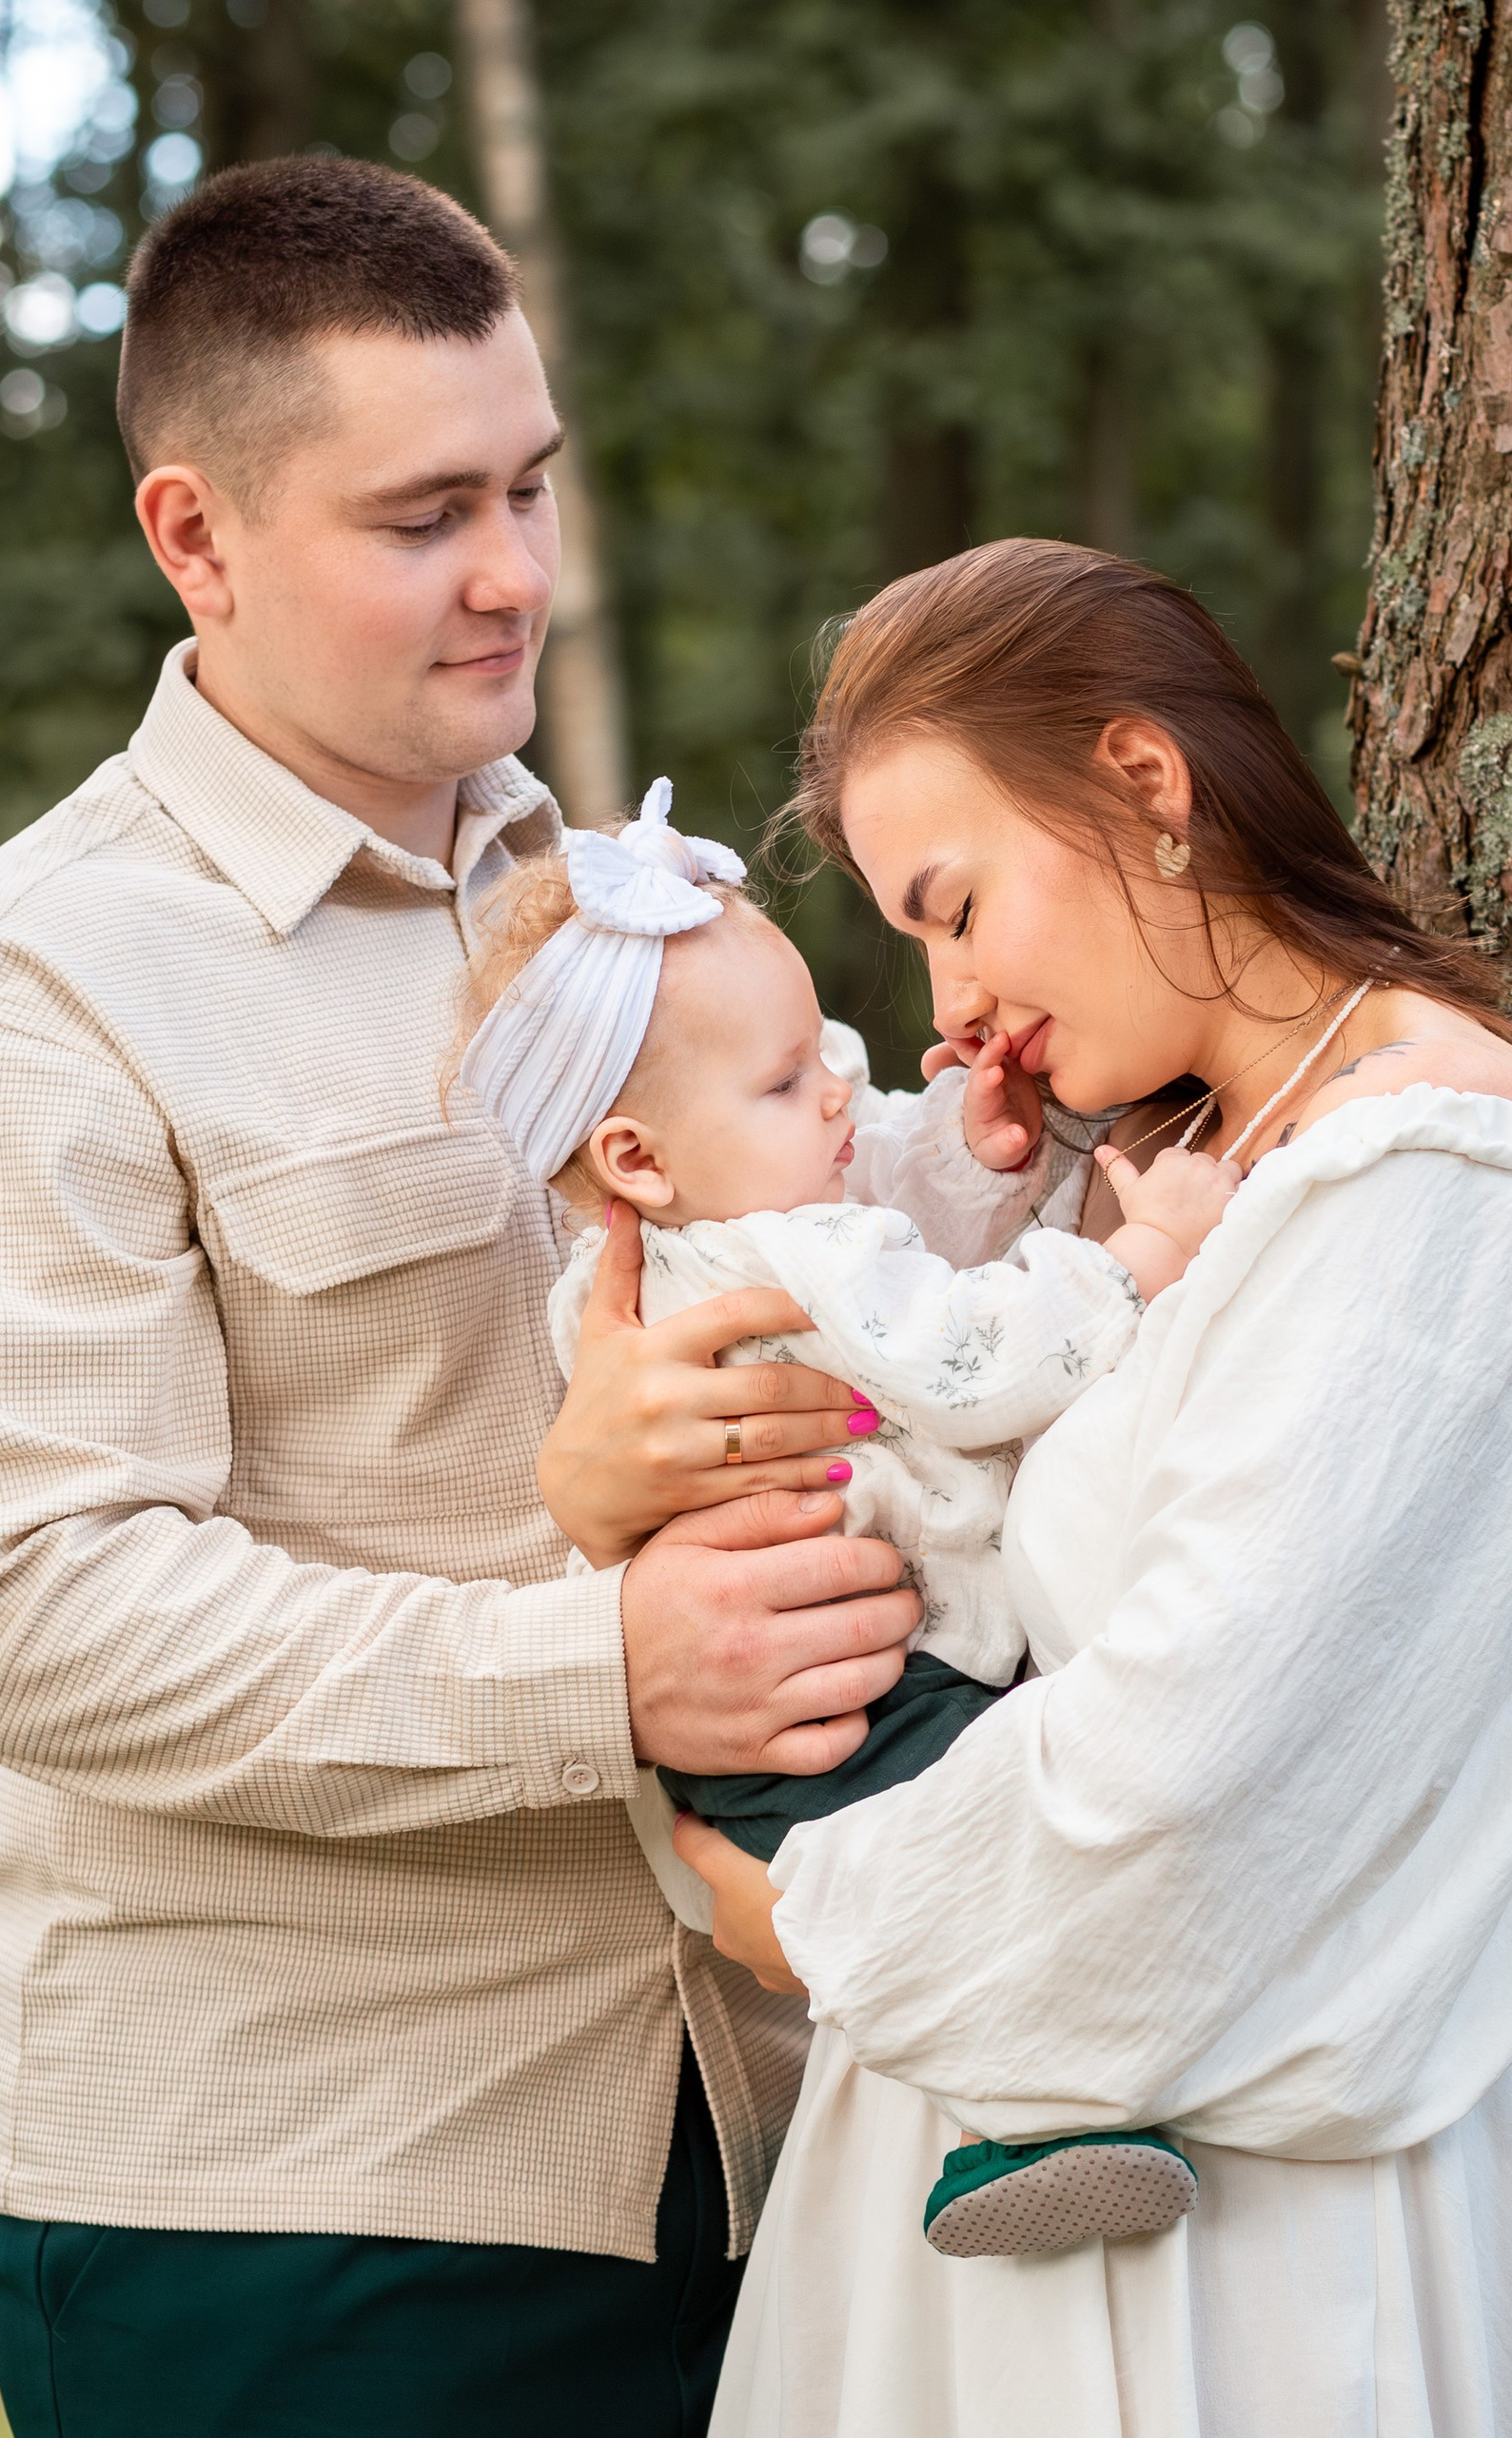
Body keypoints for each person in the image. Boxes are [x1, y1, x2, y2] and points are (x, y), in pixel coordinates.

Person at [0, 154, 1028, 2438]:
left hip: (772, 2162)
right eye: (425, 513)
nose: (514, 576)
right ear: (196, 533)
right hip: (297, 2206)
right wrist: (606, 1673)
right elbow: (30, 1603)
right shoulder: (23, 1005)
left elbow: (835, 1217)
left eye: (532, 484)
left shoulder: (626, 899)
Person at [560, 538, 1512, 2438]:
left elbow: (1187, 1799)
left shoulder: (1442, 1208)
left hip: (1242, 2279)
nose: (948, 996)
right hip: (1050, 2202)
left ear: (1147, 789)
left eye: (959, 906)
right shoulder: (1199, 1157)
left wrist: (788, 1906)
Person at [452, 779, 1232, 2253]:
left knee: (970, 1877)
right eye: (789, 1078)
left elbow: (871, 1180)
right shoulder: (786, 1263)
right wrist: (1140, 1262)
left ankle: (1036, 2106)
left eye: (832, 1058)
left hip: (769, 1719)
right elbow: (965, 1356)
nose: (838, 1098)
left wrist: (963, 1141)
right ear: (637, 1154)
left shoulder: (643, 1266)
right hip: (868, 1693)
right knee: (1003, 1858)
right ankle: (1033, 2121)